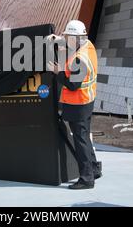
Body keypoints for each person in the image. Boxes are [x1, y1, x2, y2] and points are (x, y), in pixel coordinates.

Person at [47, 20, 101, 190]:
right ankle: (94, 169)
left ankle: (86, 179)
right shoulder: (88, 45)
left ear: (76, 38)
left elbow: (72, 85)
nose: (66, 38)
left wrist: (58, 73)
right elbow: (74, 43)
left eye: (68, 36)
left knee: (80, 141)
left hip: (79, 103)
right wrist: (58, 39)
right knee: (84, 136)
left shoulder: (79, 59)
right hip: (87, 101)